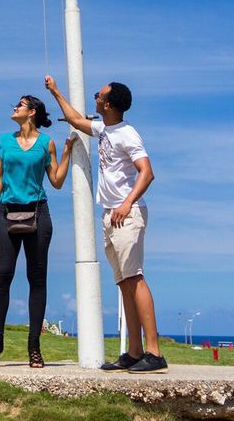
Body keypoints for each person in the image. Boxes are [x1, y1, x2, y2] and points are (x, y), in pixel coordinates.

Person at [45, 75, 167, 373]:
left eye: (99, 94)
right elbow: (76, 120)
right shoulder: (104, 129)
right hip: (111, 215)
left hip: (128, 213)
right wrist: (56, 91)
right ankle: (135, 352)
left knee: (135, 278)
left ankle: (154, 351)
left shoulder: (128, 134)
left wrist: (126, 203)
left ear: (108, 103)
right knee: (124, 282)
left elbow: (147, 172)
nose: (95, 96)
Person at [0, 94, 77, 368]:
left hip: (38, 214)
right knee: (2, 275)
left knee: (37, 279)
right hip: (6, 213)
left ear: (32, 112)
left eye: (20, 105)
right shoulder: (5, 141)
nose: (14, 108)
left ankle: (34, 348)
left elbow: (57, 181)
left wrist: (68, 152)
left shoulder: (47, 143)